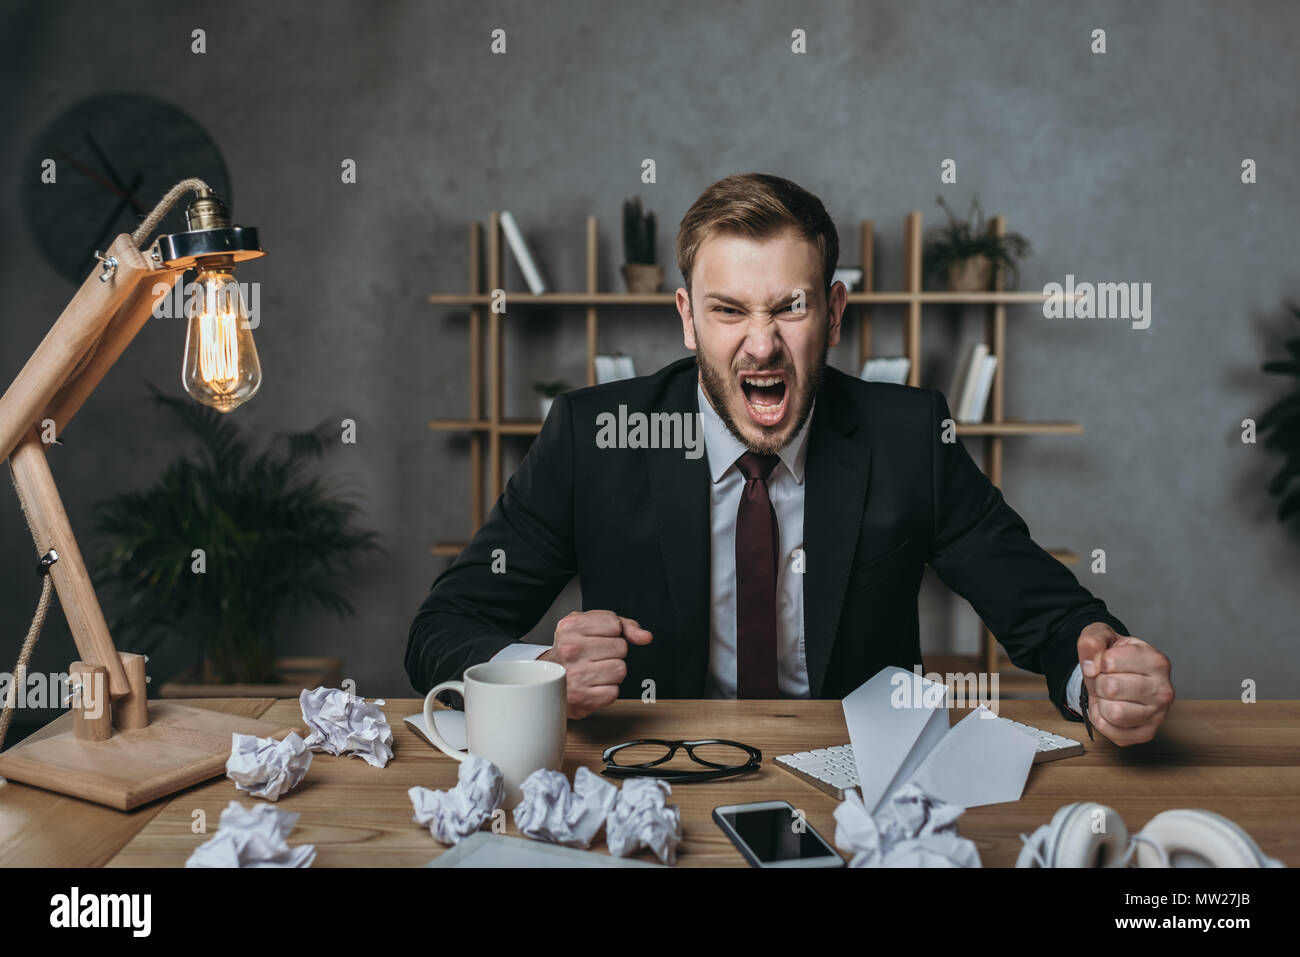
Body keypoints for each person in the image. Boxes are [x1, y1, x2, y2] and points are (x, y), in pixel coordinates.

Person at [406, 172, 1174, 745]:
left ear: (833, 313)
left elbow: (1051, 615)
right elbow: (442, 627)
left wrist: (1099, 675)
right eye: (729, 309)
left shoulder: (908, 438)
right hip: (653, 781)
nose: (762, 342)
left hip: (856, 788)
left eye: (789, 307)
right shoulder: (591, 436)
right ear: (687, 320)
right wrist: (543, 671)